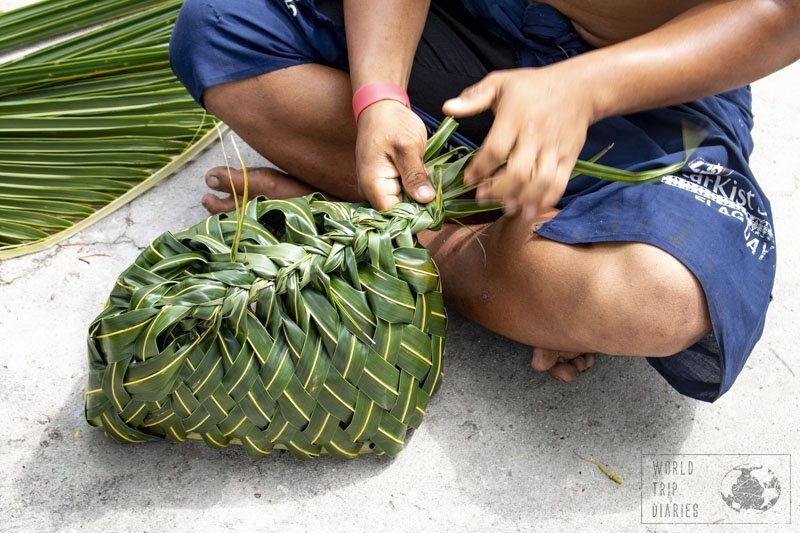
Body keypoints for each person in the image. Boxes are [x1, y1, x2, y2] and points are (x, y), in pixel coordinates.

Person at [168, 0, 799, 401]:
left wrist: (582, 89)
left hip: (653, 79)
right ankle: (507, 259)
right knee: (222, 26)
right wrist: (379, 94)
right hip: (462, 23)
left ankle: (415, 235)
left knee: (659, 298)